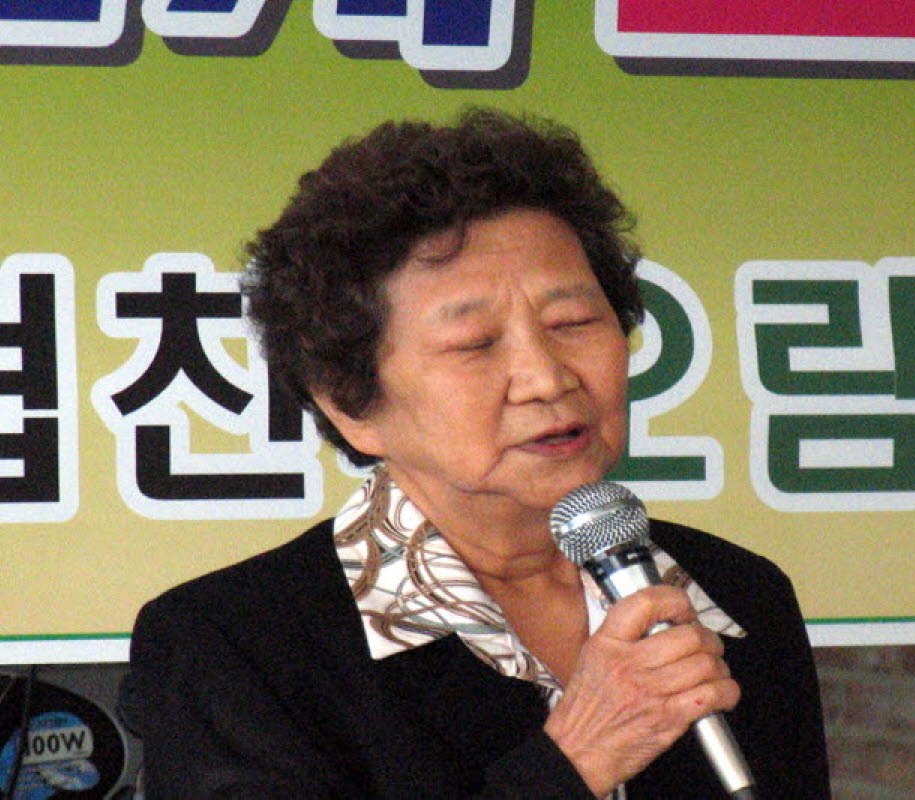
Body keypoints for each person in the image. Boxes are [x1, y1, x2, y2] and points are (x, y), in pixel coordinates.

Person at [122, 107, 830, 798]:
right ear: (350, 404)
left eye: (573, 321)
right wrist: (575, 760)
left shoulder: (734, 595)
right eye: (475, 344)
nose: (547, 378)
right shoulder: (232, 644)